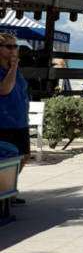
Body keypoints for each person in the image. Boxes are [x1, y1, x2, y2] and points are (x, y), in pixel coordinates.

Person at [0, 34, 30, 204]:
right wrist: (12, 68)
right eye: (8, 46)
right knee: (5, 159)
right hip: (3, 122)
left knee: (24, 156)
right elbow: (5, 89)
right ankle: (5, 192)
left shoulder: (15, 69)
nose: (13, 49)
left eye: (15, 46)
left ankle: (7, 190)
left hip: (19, 121)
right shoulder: (7, 69)